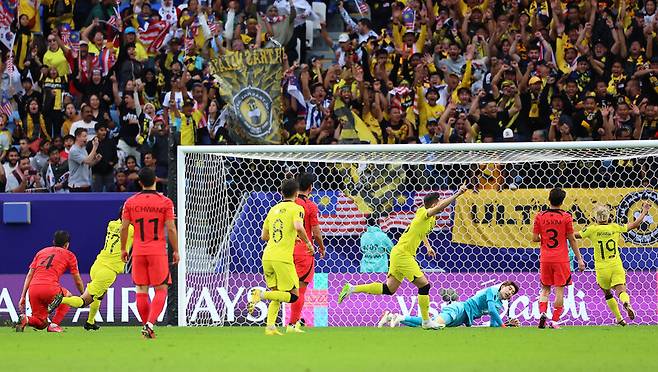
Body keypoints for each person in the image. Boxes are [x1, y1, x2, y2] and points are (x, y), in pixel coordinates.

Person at [338, 185, 469, 329]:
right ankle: (426, 321)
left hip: (399, 253)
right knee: (424, 285)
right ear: (434, 204)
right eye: (439, 201)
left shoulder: (429, 219)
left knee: (389, 289)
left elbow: (419, 231)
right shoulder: (423, 212)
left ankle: (352, 288)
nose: (441, 203)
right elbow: (437, 209)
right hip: (403, 254)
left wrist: (428, 246)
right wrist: (457, 194)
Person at [247, 178, 314, 336]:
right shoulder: (297, 208)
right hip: (283, 259)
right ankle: (260, 294)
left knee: (277, 293)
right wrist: (308, 243)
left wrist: (289, 237)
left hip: (267, 257)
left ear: (280, 192)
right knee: (293, 296)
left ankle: (270, 327)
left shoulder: (273, 209)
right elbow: (298, 226)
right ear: (296, 193)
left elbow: (264, 236)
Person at [51, 208, 134, 330]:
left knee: (99, 295)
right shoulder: (132, 230)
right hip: (108, 271)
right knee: (83, 301)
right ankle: (61, 300)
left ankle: (90, 321)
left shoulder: (111, 224)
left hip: (97, 265)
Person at [120, 167, 179, 339]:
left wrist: (124, 248)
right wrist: (175, 250)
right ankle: (150, 324)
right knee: (161, 289)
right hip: (157, 251)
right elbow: (171, 228)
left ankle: (146, 327)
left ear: (139, 182)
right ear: (156, 180)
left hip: (138, 251)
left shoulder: (130, 202)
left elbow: (124, 227)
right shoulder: (165, 202)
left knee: (141, 290)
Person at [575, 203, 651, 326]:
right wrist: (644, 211)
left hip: (601, 268)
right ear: (609, 216)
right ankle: (626, 302)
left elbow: (574, 235)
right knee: (621, 290)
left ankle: (619, 318)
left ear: (595, 218)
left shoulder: (592, 229)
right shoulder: (615, 227)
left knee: (608, 293)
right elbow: (635, 224)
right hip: (616, 265)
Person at [532, 188, 585, 329]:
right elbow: (572, 239)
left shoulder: (540, 216)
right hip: (561, 259)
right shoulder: (566, 217)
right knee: (559, 290)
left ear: (549, 199)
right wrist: (579, 259)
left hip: (545, 258)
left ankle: (543, 313)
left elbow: (534, 238)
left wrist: (545, 237)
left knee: (545, 289)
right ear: (562, 202)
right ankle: (554, 321)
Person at [15, 231, 84, 333]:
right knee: (68, 296)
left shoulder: (41, 252)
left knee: (41, 322)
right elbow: (77, 280)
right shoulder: (70, 255)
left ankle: (26, 319)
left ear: (53, 241)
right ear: (67, 245)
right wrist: (83, 295)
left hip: (33, 289)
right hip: (50, 288)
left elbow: (30, 274)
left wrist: (23, 296)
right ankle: (54, 324)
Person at [380, 281, 521, 329]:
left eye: (512, 292)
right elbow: (490, 310)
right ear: (503, 286)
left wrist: (506, 325)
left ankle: (393, 316)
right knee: (434, 324)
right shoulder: (492, 291)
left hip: (462, 319)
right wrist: (503, 325)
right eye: (509, 289)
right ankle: (400, 317)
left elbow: (492, 325)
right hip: (459, 309)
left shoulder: (499, 306)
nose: (510, 293)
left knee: (426, 326)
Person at [286, 172, 325, 333]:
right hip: (304, 252)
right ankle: (292, 324)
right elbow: (316, 233)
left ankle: (295, 319)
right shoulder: (310, 206)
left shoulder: (288, 205)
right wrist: (321, 247)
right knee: (300, 289)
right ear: (310, 187)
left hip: (286, 251)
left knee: (284, 288)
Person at [68, 128, 101, 192]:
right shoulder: (73, 150)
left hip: (86, 185)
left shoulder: (83, 149)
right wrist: (95, 147)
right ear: (77, 137)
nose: (86, 138)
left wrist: (96, 160)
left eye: (87, 136)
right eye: (84, 136)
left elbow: (88, 164)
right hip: (76, 186)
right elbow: (87, 160)